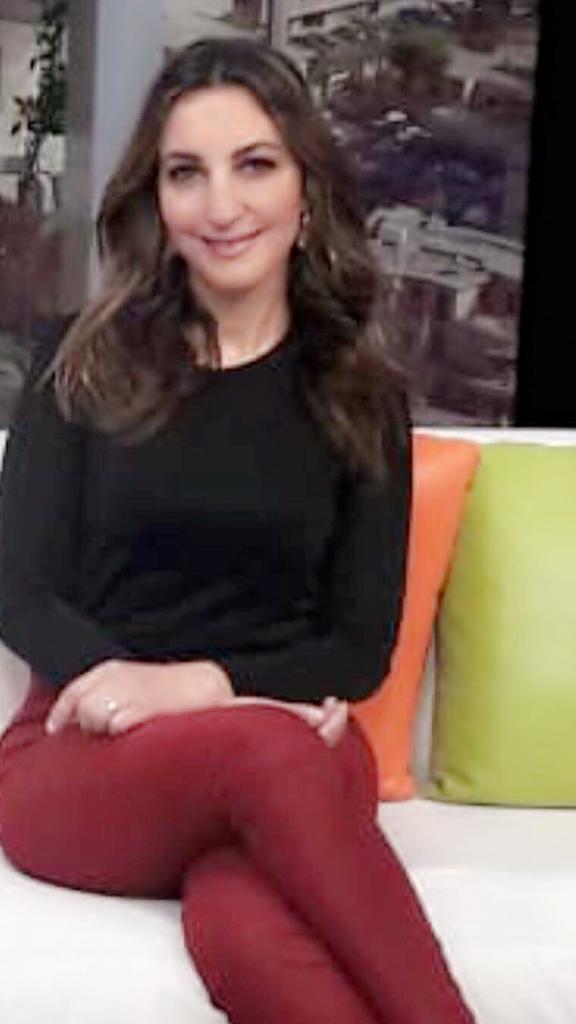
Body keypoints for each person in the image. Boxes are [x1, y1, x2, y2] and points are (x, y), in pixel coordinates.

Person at [0, 37, 475, 1024]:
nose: (221, 207)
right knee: (265, 752)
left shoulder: (359, 395)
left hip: (291, 747)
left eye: (254, 164)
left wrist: (205, 686)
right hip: (87, 753)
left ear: (307, 189)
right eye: (187, 173)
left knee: (242, 927)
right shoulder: (81, 358)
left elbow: (357, 646)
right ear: (157, 198)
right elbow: (18, 587)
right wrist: (160, 694)